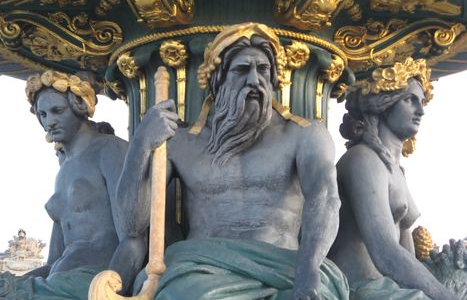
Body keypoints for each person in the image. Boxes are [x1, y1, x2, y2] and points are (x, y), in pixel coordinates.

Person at [116, 23, 349, 300]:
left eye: (263, 70)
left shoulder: (306, 136)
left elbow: (325, 200)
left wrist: (309, 269)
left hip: (287, 267)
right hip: (202, 272)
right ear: (217, 80)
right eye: (241, 70)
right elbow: (132, 224)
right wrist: (141, 144)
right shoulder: (180, 143)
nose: (254, 80)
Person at [328, 58, 459, 300]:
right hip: (356, 288)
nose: (421, 111)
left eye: (421, 102)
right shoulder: (363, 160)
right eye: (410, 100)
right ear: (383, 104)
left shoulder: (397, 171)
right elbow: (384, 250)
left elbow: (404, 252)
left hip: (387, 289)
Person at [19, 70, 145, 295]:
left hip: (94, 281)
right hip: (60, 280)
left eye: (58, 111)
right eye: (43, 114)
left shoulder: (110, 149)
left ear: (79, 107)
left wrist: (109, 291)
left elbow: (133, 238)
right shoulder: (63, 171)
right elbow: (54, 260)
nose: (50, 121)